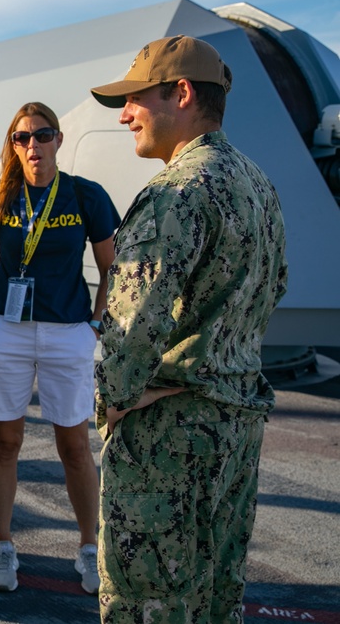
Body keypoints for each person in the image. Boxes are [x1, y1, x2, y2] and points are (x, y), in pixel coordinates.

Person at [89, 35, 288, 622]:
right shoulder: (257, 185)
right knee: (211, 602)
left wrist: (115, 402)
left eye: (135, 99)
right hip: (236, 432)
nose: (124, 115)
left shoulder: (178, 191)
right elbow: (274, 288)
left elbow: (129, 324)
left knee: (144, 603)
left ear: (181, 93)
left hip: (169, 440)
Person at [0, 102, 120, 595]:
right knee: (5, 442)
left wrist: (95, 324)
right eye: (22, 137)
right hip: (6, 330)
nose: (33, 145)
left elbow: (112, 267)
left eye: (42, 135)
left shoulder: (83, 195)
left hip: (68, 331)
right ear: (13, 144)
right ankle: (5, 546)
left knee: (74, 444)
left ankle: (90, 548)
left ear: (58, 138)